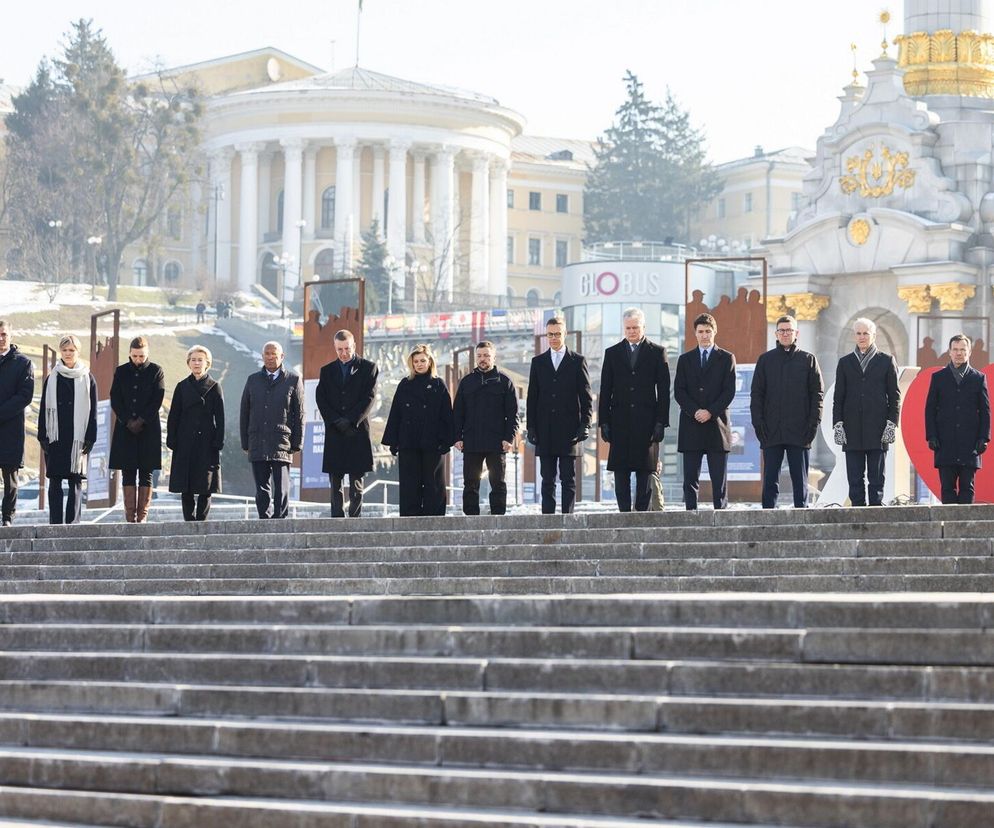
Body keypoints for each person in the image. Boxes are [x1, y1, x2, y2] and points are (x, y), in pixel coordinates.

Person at [598, 307, 670, 512]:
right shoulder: (612, 353)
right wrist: (604, 421)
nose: (631, 331)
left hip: (646, 422)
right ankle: (623, 512)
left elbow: (663, 391)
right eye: (628, 328)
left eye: (635, 327)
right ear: (624, 328)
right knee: (620, 470)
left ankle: (641, 513)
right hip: (619, 421)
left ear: (643, 327)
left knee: (645, 470)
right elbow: (605, 389)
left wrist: (660, 422)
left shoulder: (657, 352)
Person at [751, 315, 824, 508]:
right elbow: (756, 395)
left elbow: (817, 395)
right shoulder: (765, 360)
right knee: (770, 481)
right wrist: (758, 424)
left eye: (789, 330)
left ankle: (802, 516)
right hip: (771, 430)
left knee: (800, 480)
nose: (785, 334)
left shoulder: (808, 360)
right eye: (782, 330)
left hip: (800, 431)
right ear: (776, 333)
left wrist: (813, 424)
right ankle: (767, 518)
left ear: (796, 333)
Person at [525, 316, 592, 514]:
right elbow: (532, 397)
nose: (553, 338)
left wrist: (585, 424)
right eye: (550, 334)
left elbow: (586, 396)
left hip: (569, 430)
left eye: (557, 334)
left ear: (565, 334)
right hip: (545, 430)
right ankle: (548, 519)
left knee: (568, 478)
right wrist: (531, 427)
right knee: (547, 478)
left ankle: (568, 518)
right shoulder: (538, 362)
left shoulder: (577, 361)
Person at [832, 318, 901, 507]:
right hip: (852, 428)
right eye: (858, 333)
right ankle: (857, 510)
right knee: (854, 476)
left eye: (866, 333)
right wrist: (838, 424)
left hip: (877, 428)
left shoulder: (886, 361)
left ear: (873, 336)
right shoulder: (845, 363)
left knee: (876, 476)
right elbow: (839, 396)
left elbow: (894, 396)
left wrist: (891, 424)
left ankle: (876, 509)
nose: (862, 337)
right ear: (854, 335)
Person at [382, 344, 454, 516]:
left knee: (434, 483)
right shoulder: (405, 385)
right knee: (409, 484)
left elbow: (447, 416)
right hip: (408, 441)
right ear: (411, 364)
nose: (420, 364)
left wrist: (446, 441)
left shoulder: (439, 385)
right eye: (416, 361)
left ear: (430, 362)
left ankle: (435, 519)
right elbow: (396, 414)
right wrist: (393, 441)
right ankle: (409, 518)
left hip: (433, 442)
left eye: (423, 360)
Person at [674, 312, 736, 510]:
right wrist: (695, 411)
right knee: (690, 478)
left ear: (714, 332)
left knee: (719, 479)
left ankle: (721, 514)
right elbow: (679, 391)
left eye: (708, 331)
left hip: (716, 426)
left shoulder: (726, 358)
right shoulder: (685, 360)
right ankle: (691, 515)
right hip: (691, 425)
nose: (704, 335)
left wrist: (710, 411)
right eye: (700, 332)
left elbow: (729, 391)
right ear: (695, 333)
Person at [316, 330, 378, 518]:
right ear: (335, 348)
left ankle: (355, 516)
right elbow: (321, 398)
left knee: (356, 479)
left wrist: (351, 419)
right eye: (339, 349)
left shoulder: (369, 368)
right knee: (335, 479)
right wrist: (334, 419)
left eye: (347, 349)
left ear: (354, 346)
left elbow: (369, 397)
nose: (344, 353)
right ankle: (336, 515)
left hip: (357, 430)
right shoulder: (326, 371)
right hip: (335, 430)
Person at [453, 341, 519, 515]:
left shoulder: (505, 382)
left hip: (497, 442)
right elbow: (458, 412)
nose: (482, 359)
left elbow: (513, 415)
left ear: (493, 357)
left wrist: (509, 438)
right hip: (471, 441)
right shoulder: (466, 382)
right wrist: (457, 437)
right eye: (480, 356)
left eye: (486, 355)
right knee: (470, 483)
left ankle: (498, 518)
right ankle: (470, 519)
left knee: (498, 483)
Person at [37, 334, 97, 525]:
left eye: (71, 350)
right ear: (60, 351)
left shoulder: (88, 378)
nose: (68, 354)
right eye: (65, 350)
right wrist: (42, 436)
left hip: (77, 437)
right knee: (55, 480)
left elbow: (93, 410)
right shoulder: (52, 377)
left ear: (78, 352)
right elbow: (43, 408)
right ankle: (54, 522)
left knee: (75, 481)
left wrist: (90, 437)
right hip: (56, 436)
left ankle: (73, 523)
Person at [240, 341, 304, 519]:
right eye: (267, 354)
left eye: (274, 354)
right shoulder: (253, 380)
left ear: (282, 356)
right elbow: (244, 412)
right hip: (257, 440)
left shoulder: (293, 379)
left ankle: (280, 520)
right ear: (262, 356)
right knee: (261, 488)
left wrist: (297, 442)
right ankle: (264, 520)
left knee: (281, 487)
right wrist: (245, 442)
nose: (270, 357)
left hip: (282, 441)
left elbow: (299, 414)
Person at [925, 334, 991, 504]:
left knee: (967, 487)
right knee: (947, 488)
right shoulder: (938, 378)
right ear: (949, 352)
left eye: (963, 349)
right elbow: (930, 409)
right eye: (955, 349)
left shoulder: (978, 378)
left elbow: (985, 410)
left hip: (970, 444)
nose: (959, 353)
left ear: (969, 352)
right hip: (944, 443)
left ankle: (965, 528)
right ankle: (948, 525)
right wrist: (931, 436)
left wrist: (984, 438)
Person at [109, 336, 165, 523]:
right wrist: (127, 420)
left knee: (146, 472)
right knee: (128, 471)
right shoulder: (121, 371)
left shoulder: (156, 371)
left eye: (141, 356)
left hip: (148, 428)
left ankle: (142, 516)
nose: (138, 359)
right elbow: (115, 398)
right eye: (134, 356)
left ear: (147, 353)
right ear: (130, 354)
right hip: (125, 428)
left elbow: (157, 399)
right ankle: (129, 516)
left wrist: (141, 420)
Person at [167, 345, 224, 521]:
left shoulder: (214, 387)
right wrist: (172, 438)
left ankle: (202, 518)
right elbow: (174, 415)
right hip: (185, 440)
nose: (197, 363)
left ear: (207, 363)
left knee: (206, 483)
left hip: (206, 441)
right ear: (188, 363)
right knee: (186, 482)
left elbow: (220, 417)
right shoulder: (182, 387)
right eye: (193, 360)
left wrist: (218, 441)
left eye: (200, 360)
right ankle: (188, 519)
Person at [0, 322, 35, 526]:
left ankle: (7, 517)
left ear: (11, 335)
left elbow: (25, 395)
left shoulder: (23, 363)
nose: (1, 338)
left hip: (11, 428)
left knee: (10, 476)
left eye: (4, 334)